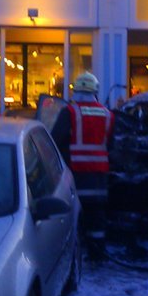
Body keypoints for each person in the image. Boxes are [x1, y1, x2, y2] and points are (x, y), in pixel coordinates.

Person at [51, 72, 114, 243]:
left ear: (76, 91)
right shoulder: (108, 114)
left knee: (73, 214)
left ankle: (77, 246)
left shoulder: (70, 112)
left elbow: (55, 140)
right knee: (97, 214)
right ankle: (97, 249)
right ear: (95, 92)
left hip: (75, 172)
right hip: (99, 175)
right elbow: (111, 145)